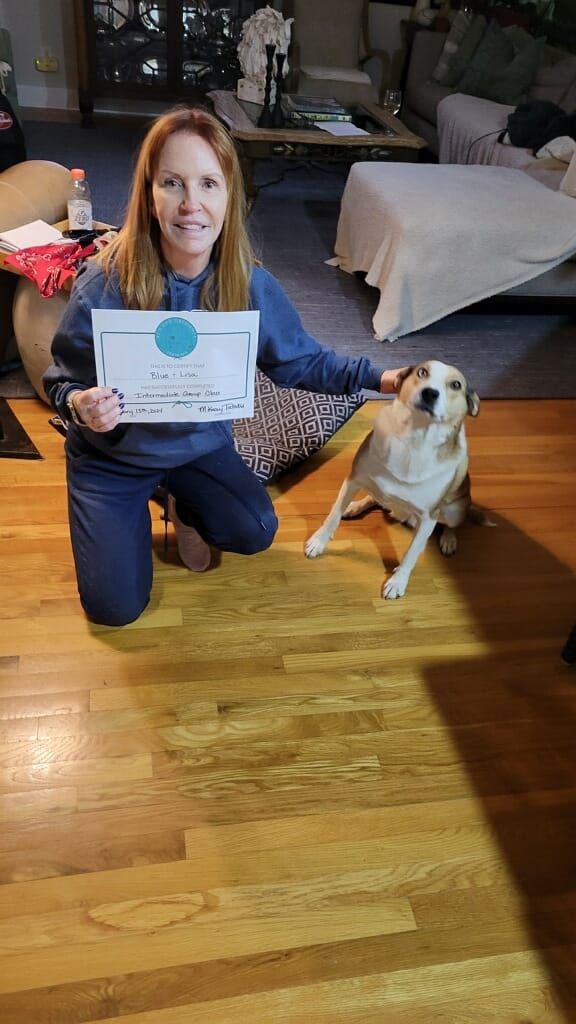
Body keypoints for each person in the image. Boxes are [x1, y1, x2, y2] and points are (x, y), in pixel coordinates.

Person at [44, 105, 401, 627]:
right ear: (149, 194)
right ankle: (128, 509)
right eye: (173, 183)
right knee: (114, 609)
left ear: (230, 197)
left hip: (197, 445)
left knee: (254, 530)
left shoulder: (249, 285)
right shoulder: (105, 283)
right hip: (111, 457)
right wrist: (80, 404)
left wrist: (383, 378)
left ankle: (182, 506)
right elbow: (61, 381)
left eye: (208, 184)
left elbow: (303, 361)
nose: (191, 204)